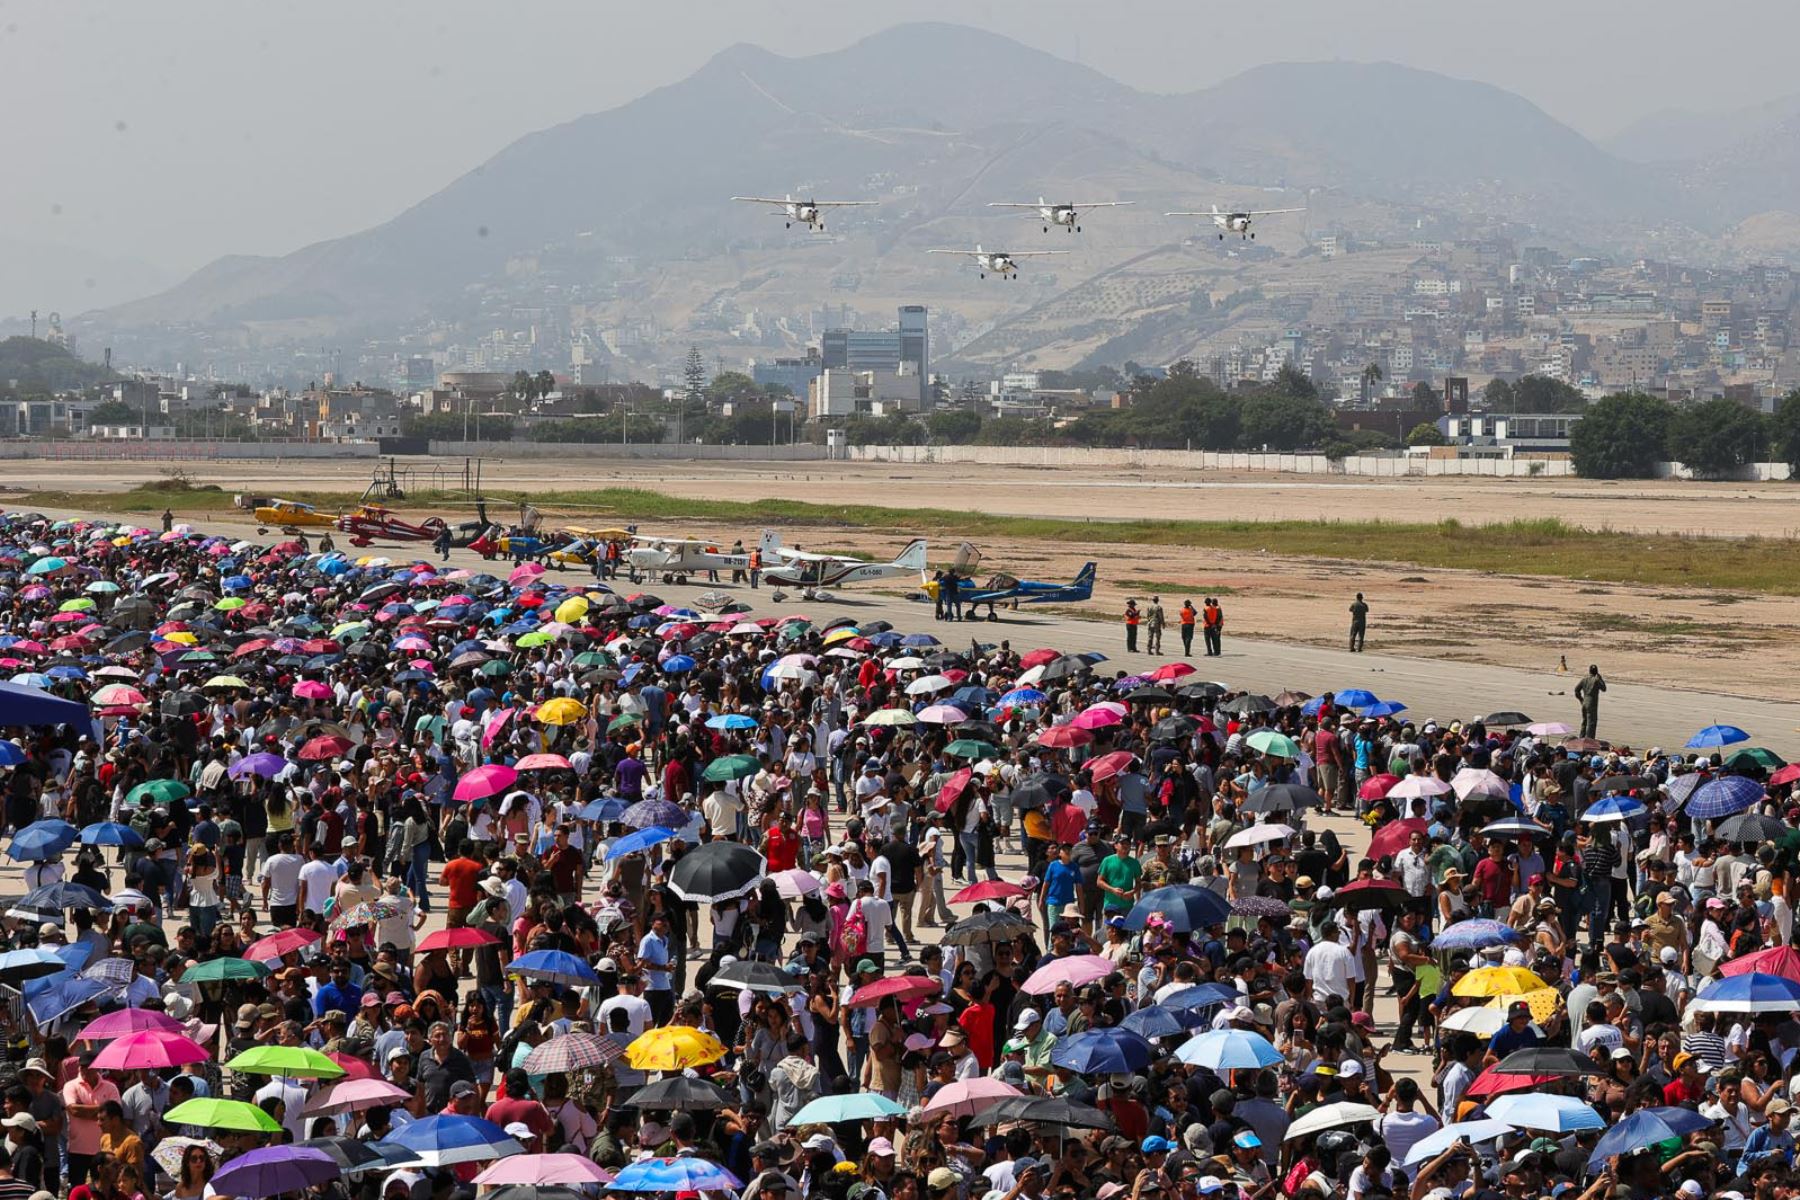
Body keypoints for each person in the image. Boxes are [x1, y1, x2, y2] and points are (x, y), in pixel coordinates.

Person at [1575, 663, 1606, 739]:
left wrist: (1581, 699)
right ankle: (1589, 739)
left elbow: (1576, 690)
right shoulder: (1596, 680)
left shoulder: (1584, 679)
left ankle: (1581, 737)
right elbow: (1604, 689)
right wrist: (1600, 679)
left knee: (1584, 722)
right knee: (1591, 723)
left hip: (1585, 702)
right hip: (1592, 703)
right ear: (1596, 672)